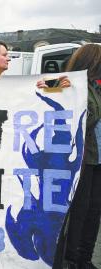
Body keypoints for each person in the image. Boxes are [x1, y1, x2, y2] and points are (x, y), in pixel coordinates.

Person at [52, 44, 101, 269]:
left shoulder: (94, 87)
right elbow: (80, 121)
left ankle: (85, 259)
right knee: (79, 212)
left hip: (96, 158)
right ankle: (71, 259)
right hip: (80, 159)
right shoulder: (68, 85)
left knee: (94, 211)